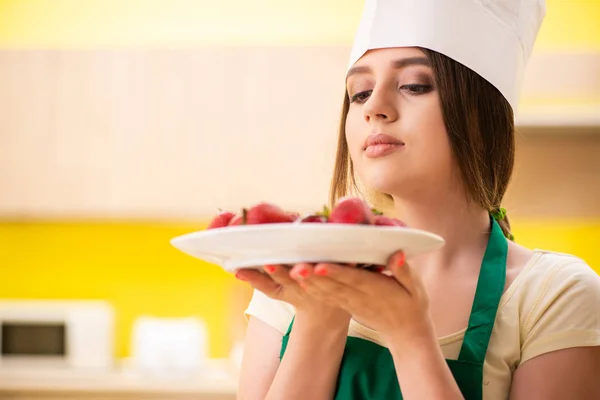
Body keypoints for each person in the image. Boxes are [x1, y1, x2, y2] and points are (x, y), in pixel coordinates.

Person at [234, 0, 600, 398]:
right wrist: (319, 320)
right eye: (359, 93)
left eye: (413, 85)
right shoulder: (297, 279)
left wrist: (410, 335)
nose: (374, 107)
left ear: (481, 115)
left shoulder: (555, 296)